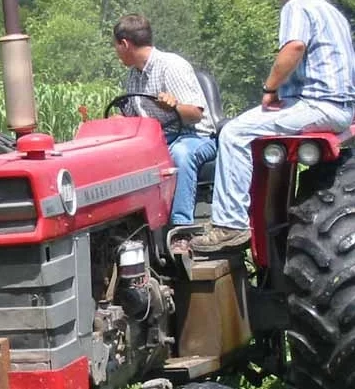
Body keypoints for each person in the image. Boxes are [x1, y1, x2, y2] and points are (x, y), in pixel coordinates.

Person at [190, 0, 355, 253]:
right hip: (341, 109)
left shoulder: (297, 6)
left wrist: (270, 88)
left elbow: (295, 47)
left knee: (234, 133)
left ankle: (230, 224)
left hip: (315, 104)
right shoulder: (333, 13)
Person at [112, 14, 218, 253]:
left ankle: (182, 230)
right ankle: (132, 230)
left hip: (195, 136)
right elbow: (134, 116)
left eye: (116, 47)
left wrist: (173, 107)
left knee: (180, 155)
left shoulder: (171, 66)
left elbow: (196, 114)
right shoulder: (134, 76)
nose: (116, 52)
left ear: (125, 44)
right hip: (157, 140)